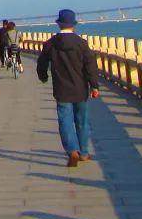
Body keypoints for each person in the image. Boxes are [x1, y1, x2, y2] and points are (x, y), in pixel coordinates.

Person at [36, 9, 100, 167]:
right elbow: (90, 66)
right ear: (73, 25)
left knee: (65, 121)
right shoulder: (81, 44)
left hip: (62, 89)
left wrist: (43, 76)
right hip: (80, 89)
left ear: (59, 24)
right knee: (82, 122)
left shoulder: (51, 43)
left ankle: (72, 150)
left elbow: (42, 62)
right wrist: (94, 85)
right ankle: (84, 153)